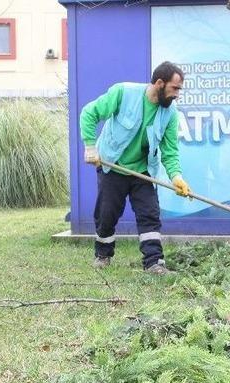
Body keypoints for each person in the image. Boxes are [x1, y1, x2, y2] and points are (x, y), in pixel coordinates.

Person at [80, 61, 191, 274]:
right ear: (160, 83)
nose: (177, 94)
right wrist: (90, 147)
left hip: (143, 171)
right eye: (175, 88)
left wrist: (176, 176)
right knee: (107, 214)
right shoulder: (123, 93)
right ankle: (103, 255)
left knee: (150, 214)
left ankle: (154, 263)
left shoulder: (170, 113)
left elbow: (170, 151)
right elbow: (89, 113)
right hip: (113, 166)